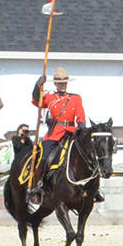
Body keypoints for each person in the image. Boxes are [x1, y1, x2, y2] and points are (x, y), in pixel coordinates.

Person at [28, 67, 101, 206]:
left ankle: (94, 189)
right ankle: (38, 186)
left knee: (88, 154)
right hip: (55, 134)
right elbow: (36, 101)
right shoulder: (50, 98)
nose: (62, 85)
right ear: (55, 84)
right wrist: (38, 86)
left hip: (72, 132)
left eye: (64, 83)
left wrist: (81, 126)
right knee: (44, 157)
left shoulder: (75, 98)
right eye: (59, 83)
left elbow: (80, 115)